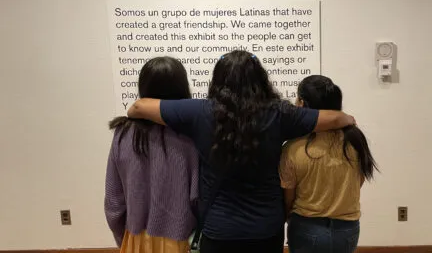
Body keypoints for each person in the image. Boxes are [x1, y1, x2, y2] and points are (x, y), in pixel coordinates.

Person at [127, 50, 356, 253]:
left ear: (218, 79)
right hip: (266, 228)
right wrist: (348, 119)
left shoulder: (199, 112)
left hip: (219, 229)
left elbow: (137, 107)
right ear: (260, 80)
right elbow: (334, 117)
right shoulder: (279, 113)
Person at [105, 57, 199, 253]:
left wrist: (124, 238)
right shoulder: (191, 135)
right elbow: (198, 198)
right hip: (182, 241)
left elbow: (114, 203)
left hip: (136, 239)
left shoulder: (122, 134)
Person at [279, 75, 379, 253]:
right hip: (347, 229)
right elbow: (358, 182)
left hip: (307, 228)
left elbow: (289, 197)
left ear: (302, 103)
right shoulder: (356, 140)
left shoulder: (294, 147)